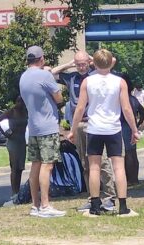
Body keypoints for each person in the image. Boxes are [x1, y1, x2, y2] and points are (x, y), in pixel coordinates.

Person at [68, 49, 140, 217]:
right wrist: (134, 129)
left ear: (94, 63)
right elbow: (126, 108)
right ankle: (122, 206)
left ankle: (94, 206)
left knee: (94, 167)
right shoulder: (120, 82)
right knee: (118, 168)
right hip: (113, 128)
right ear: (111, 62)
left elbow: (80, 108)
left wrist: (73, 129)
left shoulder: (87, 82)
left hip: (94, 128)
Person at [51, 50, 117, 212]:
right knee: (85, 164)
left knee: (102, 162)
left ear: (89, 62)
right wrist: (69, 64)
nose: (81, 67)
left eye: (84, 64)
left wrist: (93, 60)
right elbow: (50, 73)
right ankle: (92, 197)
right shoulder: (71, 77)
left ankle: (109, 196)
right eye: (78, 64)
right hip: (79, 124)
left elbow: (112, 60)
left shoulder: (96, 75)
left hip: (94, 122)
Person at [19, 45, 66, 218]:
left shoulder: (23, 77)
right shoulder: (45, 75)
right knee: (48, 166)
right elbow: (58, 97)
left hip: (33, 127)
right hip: (48, 126)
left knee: (35, 166)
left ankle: (35, 205)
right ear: (42, 58)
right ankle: (46, 205)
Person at [0, 96, 28, 206]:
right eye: (18, 101)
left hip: (21, 141)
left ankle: (18, 192)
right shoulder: (11, 112)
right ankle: (14, 192)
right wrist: (6, 133)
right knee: (14, 168)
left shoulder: (25, 112)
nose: (20, 104)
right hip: (13, 141)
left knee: (20, 168)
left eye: (22, 102)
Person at [121, 74, 144, 185]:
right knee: (133, 153)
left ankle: (129, 179)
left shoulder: (122, 99)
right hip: (132, 127)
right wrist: (137, 123)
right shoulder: (133, 98)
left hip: (123, 126)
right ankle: (134, 178)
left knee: (127, 154)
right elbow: (143, 112)